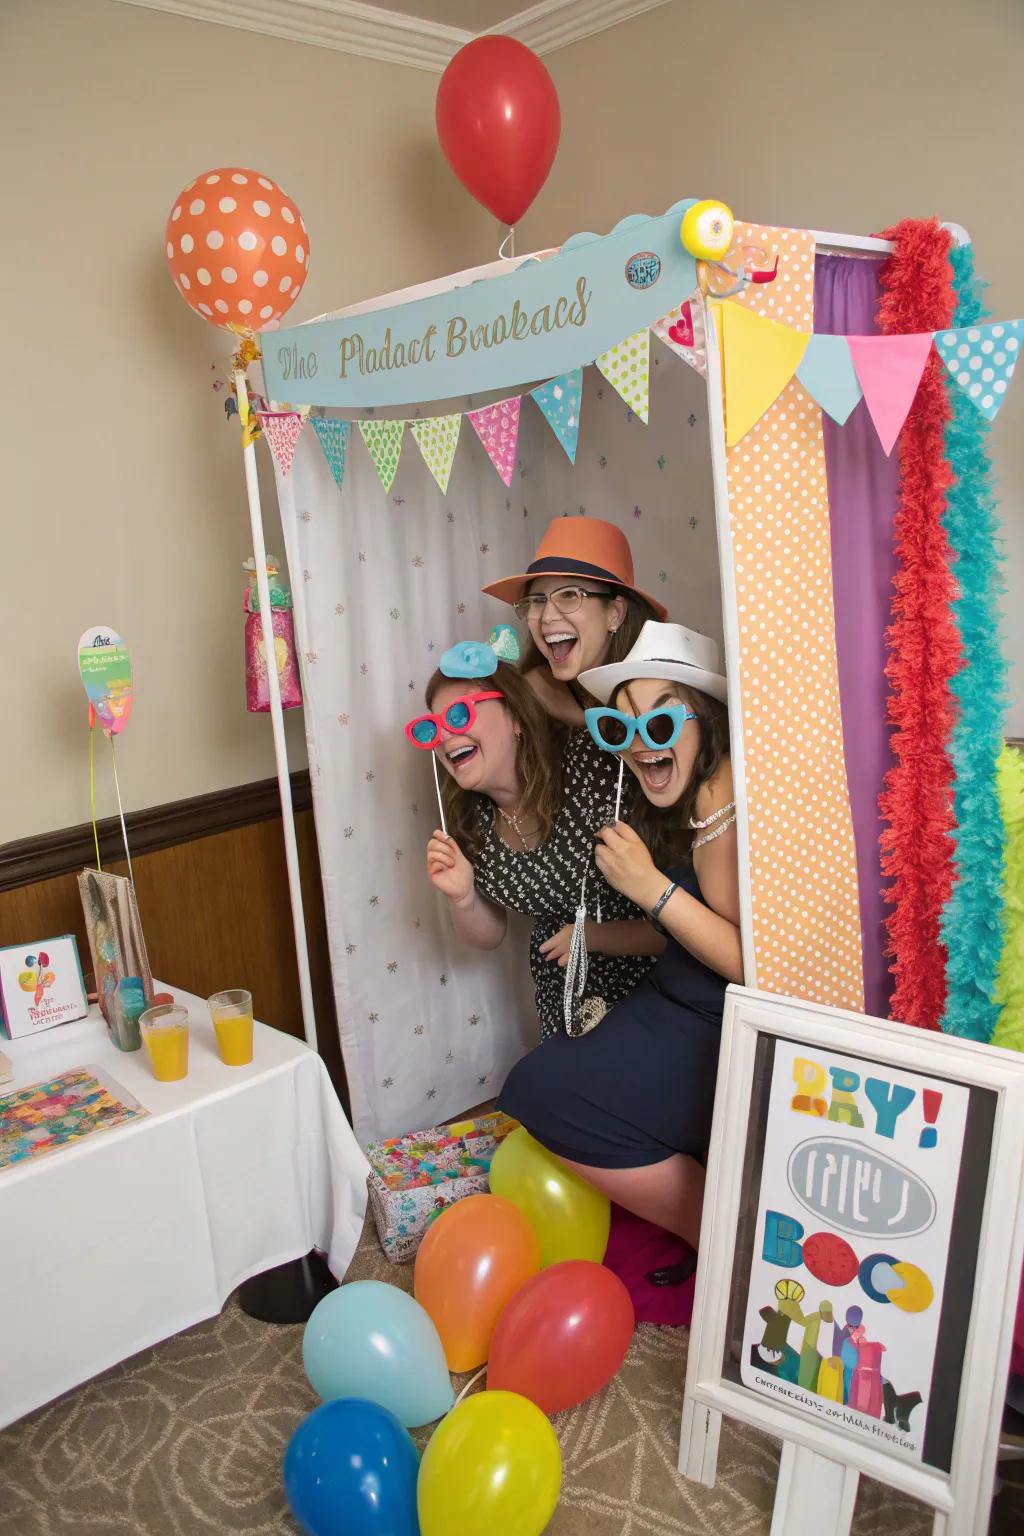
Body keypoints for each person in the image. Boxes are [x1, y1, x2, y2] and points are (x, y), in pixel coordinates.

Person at [497, 621, 742, 1279]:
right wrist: (594, 934)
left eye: (658, 727)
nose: (638, 747)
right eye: (621, 730)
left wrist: (651, 888)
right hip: (670, 996)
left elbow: (756, 967)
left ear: (708, 721)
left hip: (716, 1027)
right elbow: (682, 933)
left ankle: (717, 1237)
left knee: (541, 1091)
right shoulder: (692, 799)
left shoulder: (734, 809)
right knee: (545, 1078)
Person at [412, 639, 662, 1042]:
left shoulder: (592, 768)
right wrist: (462, 899)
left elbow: (677, 919)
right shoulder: (469, 820)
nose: (444, 736)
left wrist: (590, 938)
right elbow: (490, 935)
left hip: (651, 990)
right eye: (432, 727)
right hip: (564, 1002)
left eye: (459, 715)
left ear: (515, 716)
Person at [482, 517, 665, 727]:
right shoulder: (529, 700)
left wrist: (582, 720)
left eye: (569, 595)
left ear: (615, 613)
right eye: (537, 600)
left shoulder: (664, 698)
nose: (547, 617)